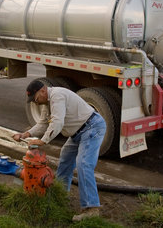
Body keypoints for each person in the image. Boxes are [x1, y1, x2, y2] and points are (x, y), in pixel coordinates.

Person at [12, 80, 106, 222]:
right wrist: (26, 134)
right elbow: (43, 123)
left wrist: (43, 141)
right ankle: (61, 195)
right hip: (77, 132)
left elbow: (57, 122)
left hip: (91, 127)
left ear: (43, 90)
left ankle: (91, 208)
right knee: (65, 160)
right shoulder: (47, 102)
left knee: (84, 164)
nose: (35, 102)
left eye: (36, 98)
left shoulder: (57, 96)